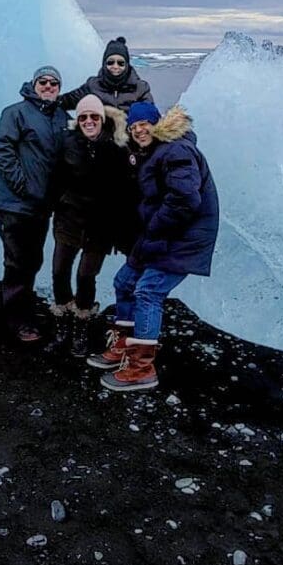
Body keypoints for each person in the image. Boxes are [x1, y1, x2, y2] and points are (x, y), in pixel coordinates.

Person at [87, 101, 219, 391]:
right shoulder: (154, 152)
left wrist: (155, 226)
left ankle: (141, 368)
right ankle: (124, 346)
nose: (139, 130)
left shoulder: (176, 149)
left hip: (182, 239)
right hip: (160, 236)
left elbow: (185, 199)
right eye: (133, 127)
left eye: (144, 124)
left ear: (157, 123)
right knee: (124, 282)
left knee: (148, 290)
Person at [49, 94, 137, 357]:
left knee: (85, 276)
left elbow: (126, 190)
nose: (89, 121)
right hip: (69, 221)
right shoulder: (67, 143)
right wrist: (59, 203)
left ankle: (81, 326)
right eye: (83, 117)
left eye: (94, 116)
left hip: (100, 226)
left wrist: (122, 229)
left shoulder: (116, 148)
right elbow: (54, 178)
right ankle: (62, 322)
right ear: (78, 120)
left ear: (102, 119)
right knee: (59, 271)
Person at [0, 65, 67, 343]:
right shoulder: (16, 113)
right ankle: (19, 321)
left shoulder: (60, 117)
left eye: (53, 83)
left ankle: (24, 309)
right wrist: (23, 184)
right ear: (33, 85)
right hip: (14, 204)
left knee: (33, 259)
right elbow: (0, 148)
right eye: (42, 81)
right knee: (18, 261)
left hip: (41, 206)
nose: (48, 86)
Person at [58, 36, 153, 114]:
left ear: (127, 65)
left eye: (121, 63)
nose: (115, 66)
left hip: (129, 131)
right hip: (101, 131)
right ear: (104, 64)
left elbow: (150, 114)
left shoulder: (140, 88)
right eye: (110, 62)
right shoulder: (93, 86)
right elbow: (68, 101)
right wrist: (53, 101)